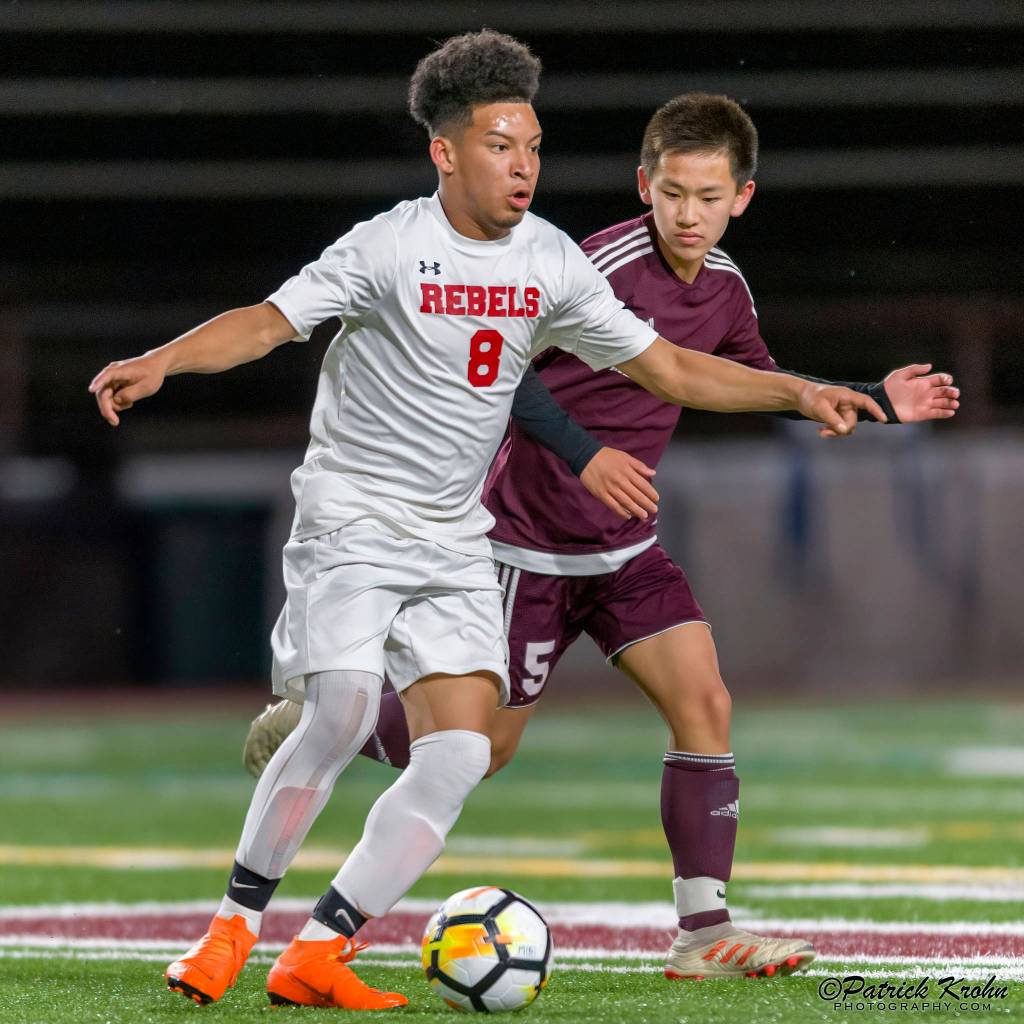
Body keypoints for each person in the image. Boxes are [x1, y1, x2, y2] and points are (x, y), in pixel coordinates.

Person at [91, 32, 887, 1009]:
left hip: (454, 536)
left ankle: (319, 951)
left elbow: (671, 368)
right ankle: (231, 930)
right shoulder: (385, 246)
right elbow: (266, 320)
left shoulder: (549, 260)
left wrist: (802, 393)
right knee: (341, 712)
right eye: (503, 144)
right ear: (446, 152)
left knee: (467, 752)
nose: (524, 166)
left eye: (534, 147)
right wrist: (164, 359)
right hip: (353, 518)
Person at [245, 91, 959, 982]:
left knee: (704, 702)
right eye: (671, 193)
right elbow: (499, 365)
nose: (687, 214)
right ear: (643, 185)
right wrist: (584, 456)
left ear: (742, 196)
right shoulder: (595, 265)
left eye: (707, 196)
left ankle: (702, 934)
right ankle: (330, 729)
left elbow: (741, 380)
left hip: (623, 551)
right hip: (522, 547)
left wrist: (861, 399)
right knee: (483, 749)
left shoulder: (729, 286)